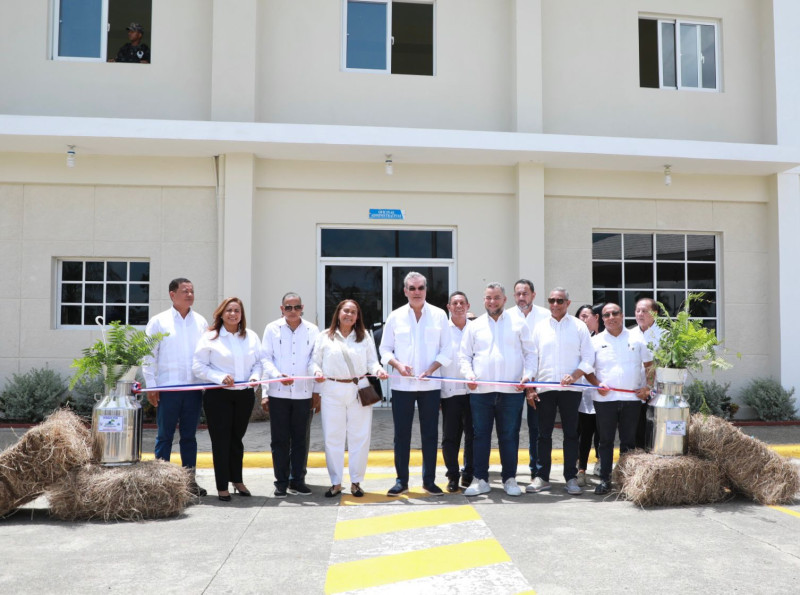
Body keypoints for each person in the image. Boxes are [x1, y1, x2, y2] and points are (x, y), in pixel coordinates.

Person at [380, 272, 452, 496]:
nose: (417, 292)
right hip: (402, 386)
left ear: (426, 290)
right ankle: (401, 480)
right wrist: (398, 365)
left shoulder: (439, 315)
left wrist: (431, 369)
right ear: (405, 291)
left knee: (430, 435)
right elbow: (384, 349)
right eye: (412, 288)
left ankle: (428, 481)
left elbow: (447, 349)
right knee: (402, 435)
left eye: (420, 288)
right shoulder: (395, 316)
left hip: (430, 386)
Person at [459, 282, 535, 497]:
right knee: (480, 436)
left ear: (505, 299)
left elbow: (530, 353)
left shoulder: (518, 322)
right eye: (488, 298)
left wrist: (527, 376)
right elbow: (464, 356)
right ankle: (480, 479)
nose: (492, 302)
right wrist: (469, 375)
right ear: (484, 300)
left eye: (496, 298)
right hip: (481, 392)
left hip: (511, 392)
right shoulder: (474, 325)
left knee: (509, 436)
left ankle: (509, 479)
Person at [310, 300, 388, 498]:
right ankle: (336, 482)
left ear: (357, 317)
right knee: (333, 437)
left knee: (360, 437)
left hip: (358, 389)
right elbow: (314, 362)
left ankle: (356, 482)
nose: (349, 315)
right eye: (346, 311)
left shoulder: (364, 337)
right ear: (338, 312)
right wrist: (317, 371)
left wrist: (378, 370)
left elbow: (372, 361)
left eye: (354, 312)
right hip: (332, 389)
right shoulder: (324, 336)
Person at [142, 278, 208, 497]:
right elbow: (149, 355)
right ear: (172, 294)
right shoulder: (159, 321)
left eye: (192, 291)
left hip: (193, 390)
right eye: (184, 291)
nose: (189, 294)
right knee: (165, 437)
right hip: (168, 389)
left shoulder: (200, 322)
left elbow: (207, 354)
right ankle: (161, 484)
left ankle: (189, 483)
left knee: (189, 437)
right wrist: (151, 385)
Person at [526, 287, 594, 496]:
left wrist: (574, 375)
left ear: (568, 303)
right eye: (552, 300)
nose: (555, 304)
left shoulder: (579, 327)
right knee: (543, 434)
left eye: (560, 301)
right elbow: (530, 359)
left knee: (571, 435)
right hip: (545, 389)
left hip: (571, 389)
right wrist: (530, 389)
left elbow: (588, 358)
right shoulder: (539, 327)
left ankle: (571, 478)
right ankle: (542, 477)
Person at [192, 297, 261, 501]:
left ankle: (237, 480)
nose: (233, 314)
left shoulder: (251, 336)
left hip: (244, 395)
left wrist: (255, 378)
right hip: (218, 395)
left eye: (237, 310)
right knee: (221, 441)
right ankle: (222, 485)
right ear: (221, 313)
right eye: (229, 310)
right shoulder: (210, 337)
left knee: (236, 440)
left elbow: (259, 362)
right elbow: (198, 366)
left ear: (242, 315)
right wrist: (219, 377)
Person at [584, 303, 654, 494]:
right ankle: (605, 480)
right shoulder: (595, 341)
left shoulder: (636, 338)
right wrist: (597, 384)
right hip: (605, 400)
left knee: (628, 442)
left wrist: (648, 387)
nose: (611, 317)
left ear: (622, 316)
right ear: (602, 318)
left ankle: (625, 481)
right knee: (605, 441)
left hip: (631, 400)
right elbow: (587, 370)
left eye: (615, 313)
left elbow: (649, 364)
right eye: (607, 314)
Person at [260, 293, 320, 498]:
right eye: (288, 307)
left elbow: (314, 359)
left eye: (296, 307)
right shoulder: (271, 329)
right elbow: (265, 359)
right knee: (279, 440)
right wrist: (276, 378)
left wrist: (316, 383)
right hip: (279, 393)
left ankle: (298, 480)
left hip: (303, 393)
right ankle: (281, 482)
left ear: (302, 308)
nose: (293, 311)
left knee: (300, 439)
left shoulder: (313, 330)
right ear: (281, 309)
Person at [506, 279, 550, 483]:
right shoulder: (506, 316)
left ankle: (536, 471)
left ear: (533, 294)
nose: (521, 297)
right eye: (518, 294)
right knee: (511, 429)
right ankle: (510, 473)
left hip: (538, 382)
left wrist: (532, 385)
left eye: (525, 293)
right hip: (513, 383)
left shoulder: (546, 316)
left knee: (537, 429)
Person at [440, 291, 474, 492]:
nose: (459, 306)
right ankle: (452, 475)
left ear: (468, 306)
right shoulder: (442, 329)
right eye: (455, 303)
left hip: (473, 393)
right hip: (450, 393)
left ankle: (468, 474)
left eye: (462, 302)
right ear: (449, 307)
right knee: (450, 438)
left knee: (472, 436)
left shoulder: (476, 328)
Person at [574, 303, 604, 483]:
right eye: (581, 316)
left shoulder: (606, 339)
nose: (583, 320)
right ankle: (581, 469)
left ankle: (601, 463)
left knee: (603, 434)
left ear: (596, 318)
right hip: (587, 393)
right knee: (585, 433)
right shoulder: (585, 340)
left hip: (606, 393)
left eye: (587, 316)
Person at [629, 297, 664, 449]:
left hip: (657, 393)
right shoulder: (629, 334)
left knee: (655, 435)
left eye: (644, 311)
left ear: (655, 314)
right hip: (634, 392)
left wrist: (650, 388)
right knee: (636, 433)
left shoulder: (665, 336)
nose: (640, 314)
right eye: (637, 311)